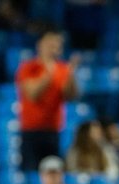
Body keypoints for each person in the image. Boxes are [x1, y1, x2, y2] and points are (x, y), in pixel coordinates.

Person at [16, 27, 80, 171]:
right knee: (30, 172)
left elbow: (71, 96)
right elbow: (32, 94)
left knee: (53, 172)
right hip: (31, 131)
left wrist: (71, 76)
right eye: (50, 44)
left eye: (57, 45)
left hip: (53, 131)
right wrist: (48, 72)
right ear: (40, 45)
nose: (54, 48)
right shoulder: (28, 67)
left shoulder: (63, 69)